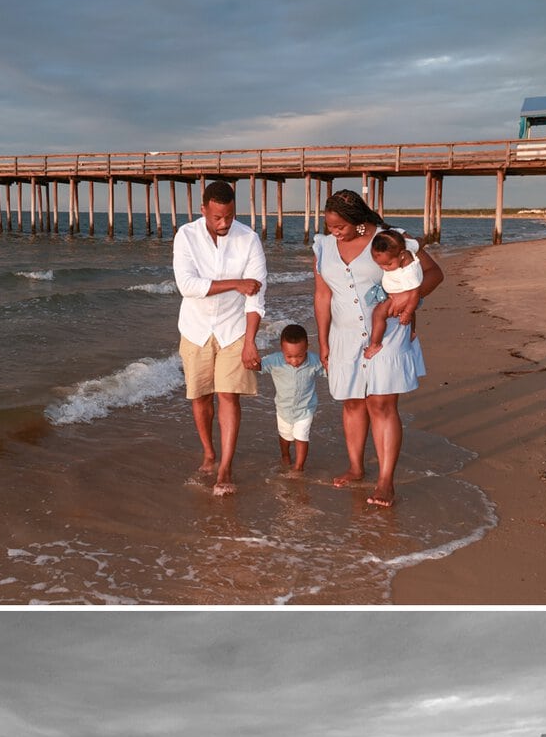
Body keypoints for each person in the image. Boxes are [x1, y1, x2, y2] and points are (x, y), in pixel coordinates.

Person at [312, 188, 444, 508]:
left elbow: (433, 273)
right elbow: (322, 295)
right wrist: (323, 339)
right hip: (344, 334)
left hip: (388, 333)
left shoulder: (391, 240)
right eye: (329, 225)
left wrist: (409, 298)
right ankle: (357, 468)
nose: (334, 231)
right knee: (353, 403)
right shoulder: (324, 246)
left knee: (381, 404)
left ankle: (386, 480)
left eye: (339, 226)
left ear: (358, 222)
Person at [173, 180, 266, 496]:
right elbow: (187, 285)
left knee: (229, 394)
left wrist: (251, 341)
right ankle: (209, 452)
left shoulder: (249, 239)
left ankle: (225, 464)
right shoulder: (186, 236)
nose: (224, 223)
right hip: (195, 329)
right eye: (217, 217)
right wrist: (236, 283)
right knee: (200, 396)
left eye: (228, 216)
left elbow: (256, 296)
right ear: (204, 210)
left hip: (235, 329)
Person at [258, 322, 327, 474]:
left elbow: (328, 371)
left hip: (305, 409)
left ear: (307, 347)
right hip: (283, 409)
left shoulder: (314, 361)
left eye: (299, 356)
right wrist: (251, 361)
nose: (295, 360)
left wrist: (332, 365)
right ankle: (285, 454)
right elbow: (258, 366)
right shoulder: (274, 360)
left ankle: (298, 466)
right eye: (289, 356)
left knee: (302, 436)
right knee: (285, 435)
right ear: (282, 350)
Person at [364, 231, 425, 361]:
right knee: (410, 317)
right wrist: (422, 241)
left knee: (378, 314)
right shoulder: (406, 246)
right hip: (401, 293)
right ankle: (411, 333)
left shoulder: (408, 272)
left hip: (401, 296)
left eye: (388, 264)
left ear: (402, 255)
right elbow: (418, 242)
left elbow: (415, 294)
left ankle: (375, 344)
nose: (383, 268)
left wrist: (407, 312)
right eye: (379, 264)